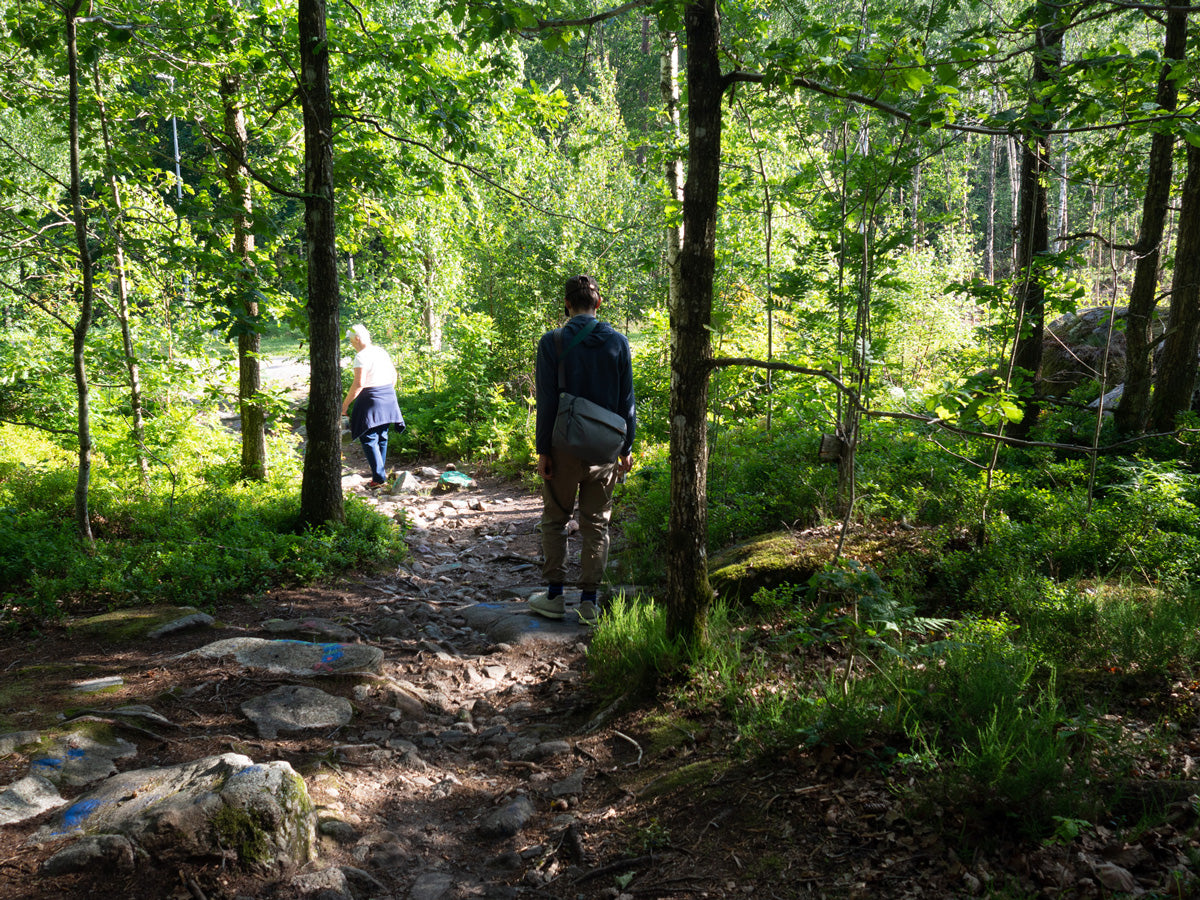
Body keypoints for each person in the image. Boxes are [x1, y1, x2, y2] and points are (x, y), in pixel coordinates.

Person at [531, 275, 635, 625]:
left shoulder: (553, 342)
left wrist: (542, 449)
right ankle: (589, 602)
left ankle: (555, 597)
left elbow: (546, 401)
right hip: (605, 449)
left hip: (563, 446)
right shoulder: (618, 342)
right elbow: (627, 401)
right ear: (598, 303)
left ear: (567, 304)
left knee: (556, 519)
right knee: (596, 523)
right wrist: (627, 447)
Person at [341, 323, 405, 489]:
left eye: (351, 341)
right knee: (382, 435)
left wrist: (345, 405)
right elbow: (394, 375)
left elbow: (359, 383)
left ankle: (378, 478)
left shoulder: (361, 356)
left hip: (371, 398)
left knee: (368, 437)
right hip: (388, 395)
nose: (351, 344)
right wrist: (389, 391)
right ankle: (380, 474)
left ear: (357, 338)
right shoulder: (380, 351)